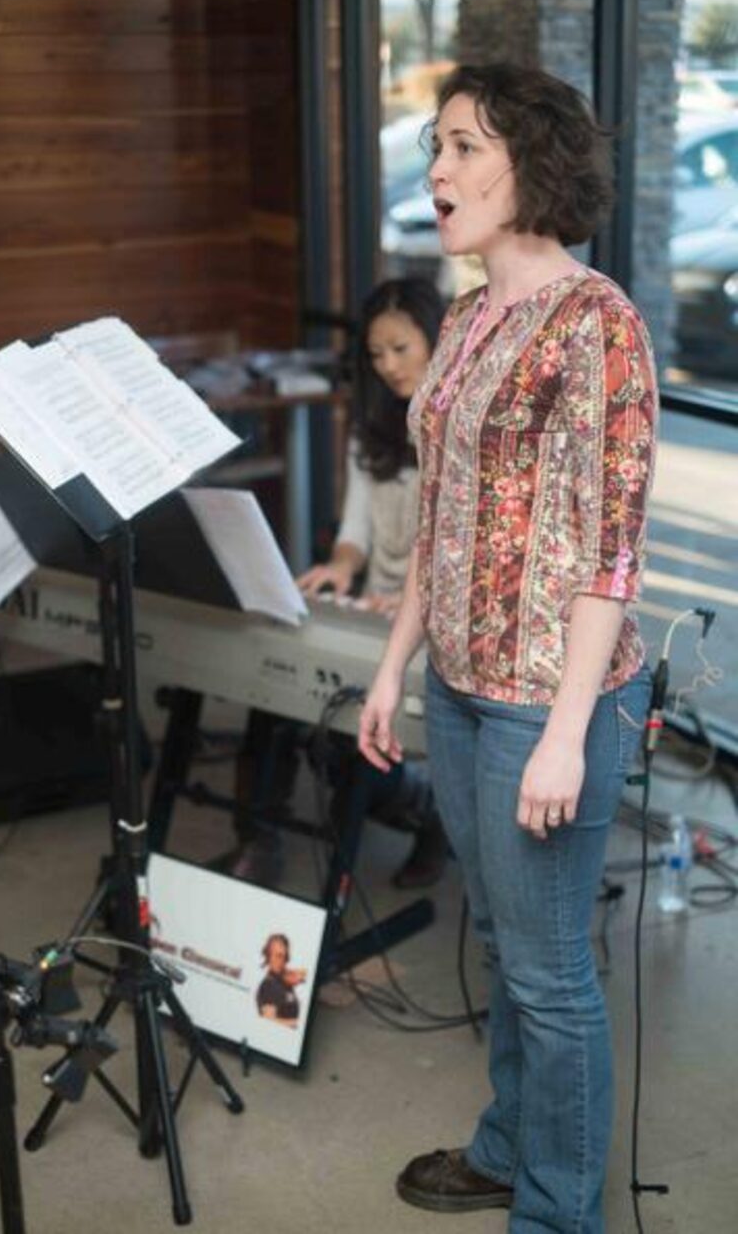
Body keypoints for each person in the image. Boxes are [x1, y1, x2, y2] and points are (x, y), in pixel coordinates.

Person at [358, 64, 657, 1234]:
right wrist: (391, 668)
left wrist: (568, 736)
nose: (435, 171)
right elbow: (440, 515)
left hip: (548, 703)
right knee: (497, 940)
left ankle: (556, 1213)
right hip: (459, 684)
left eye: (463, 147)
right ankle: (505, 1146)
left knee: (547, 977)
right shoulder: (469, 312)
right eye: (434, 147)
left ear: (532, 162)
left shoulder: (599, 324)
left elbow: (610, 553)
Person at [230, 278, 451, 891]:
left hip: (429, 619)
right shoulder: (372, 428)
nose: (388, 366)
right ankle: (259, 840)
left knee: (347, 741)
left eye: (401, 349)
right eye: (376, 355)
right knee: (272, 689)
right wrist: (341, 567)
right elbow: (354, 531)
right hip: (373, 607)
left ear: (436, 340)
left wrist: (405, 600)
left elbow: (451, 548)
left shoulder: (460, 425)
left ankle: (430, 814)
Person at [255, 933, 306, 1027]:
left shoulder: (283, 981)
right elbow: (269, 1021)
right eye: (278, 956)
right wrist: (299, 1023)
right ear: (268, 956)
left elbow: (303, 975)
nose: (282, 961)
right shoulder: (268, 985)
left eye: (284, 957)